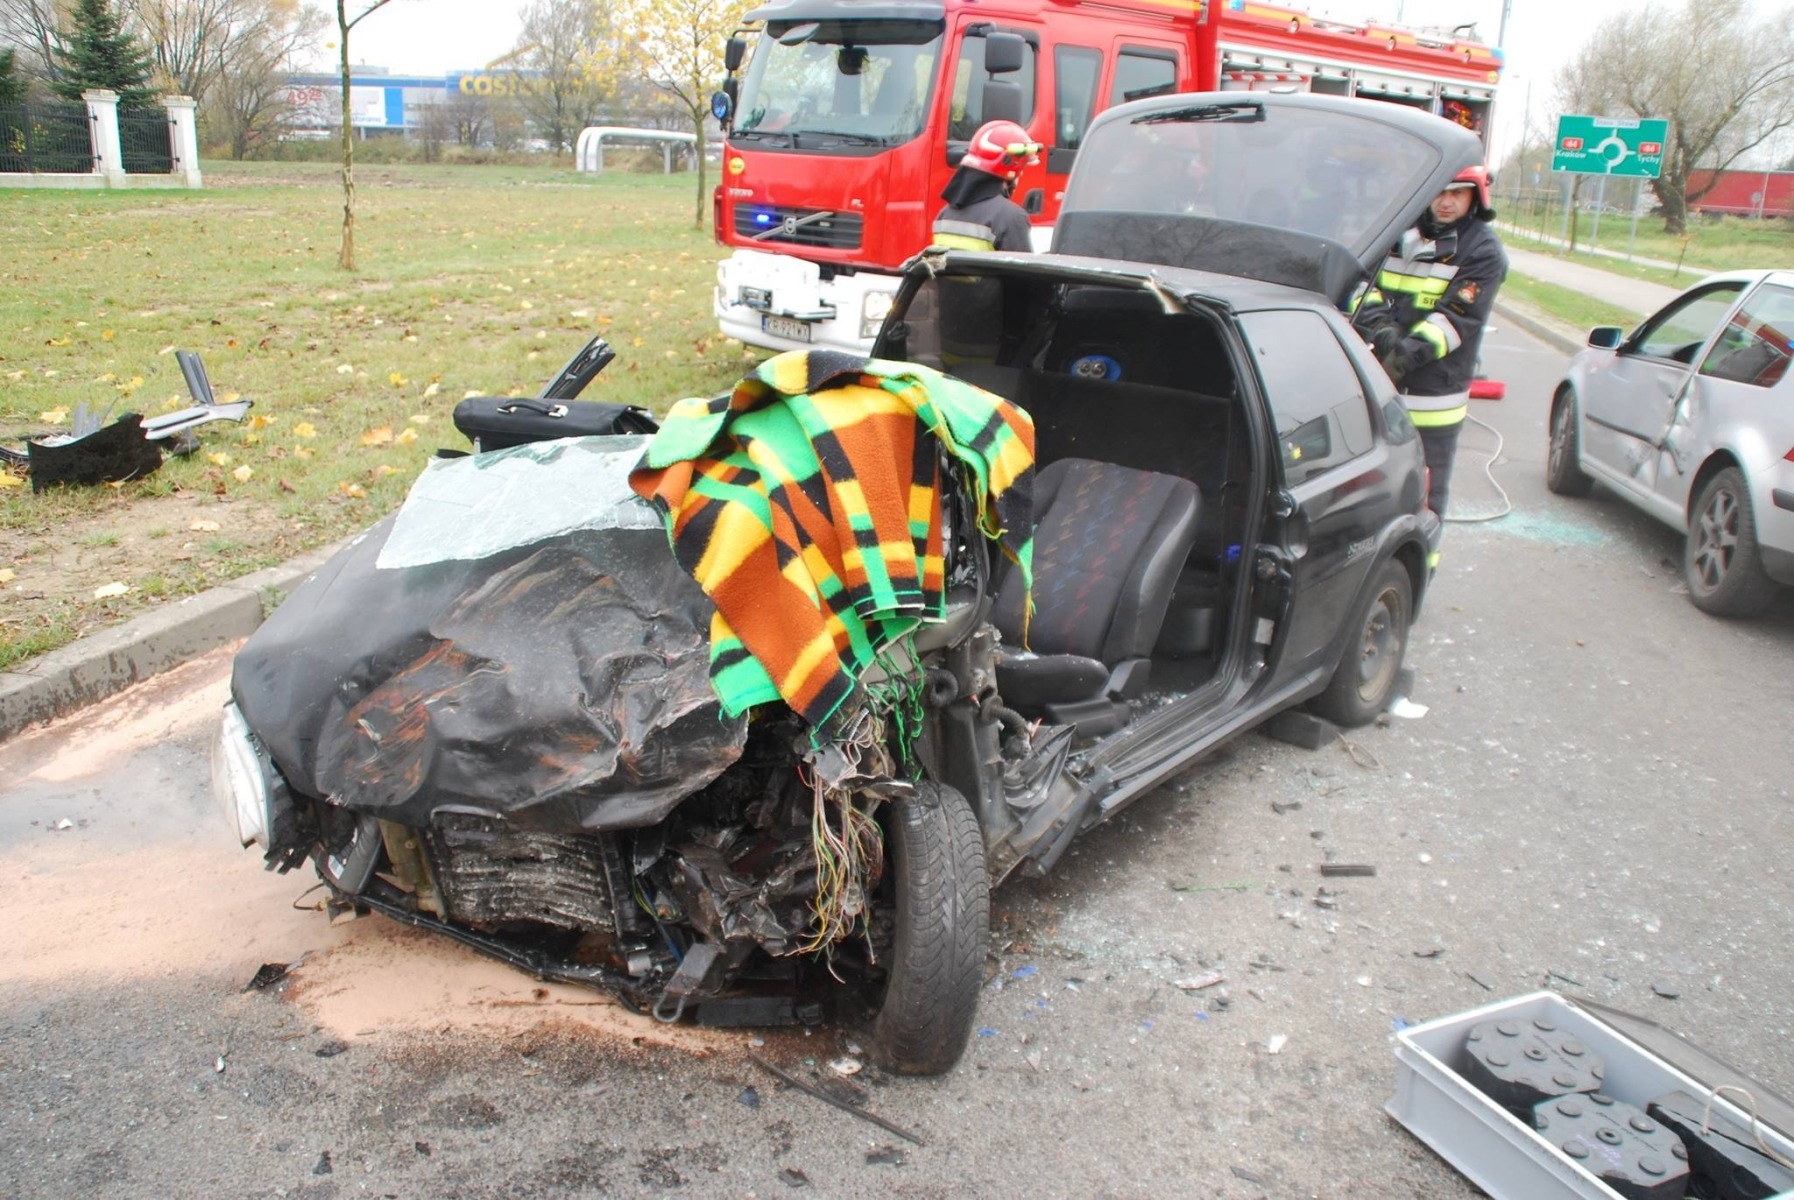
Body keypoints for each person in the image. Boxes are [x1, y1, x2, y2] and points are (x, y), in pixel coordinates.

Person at [1353, 164, 1507, 521]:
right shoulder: (1396, 233)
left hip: (1433, 397)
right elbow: (1361, 285)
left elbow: (1456, 319)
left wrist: (1401, 357)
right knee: (1369, 485)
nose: (1447, 202)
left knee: (1423, 494)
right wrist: (1380, 330)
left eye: (1458, 193)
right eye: (1440, 192)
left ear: (1475, 197)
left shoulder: (1482, 251)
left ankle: (1422, 566)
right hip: (1377, 382)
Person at [931, 119, 1040, 252]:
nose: (1021, 174)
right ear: (1012, 167)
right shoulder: (1012, 218)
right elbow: (1024, 271)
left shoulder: (944, 215)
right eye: (1022, 168)